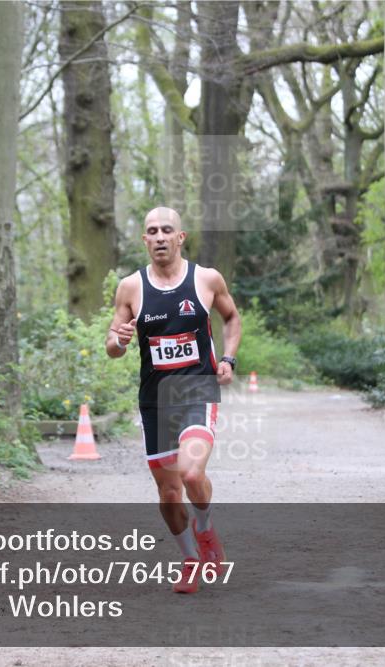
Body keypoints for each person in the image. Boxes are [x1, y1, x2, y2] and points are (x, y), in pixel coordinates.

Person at [106, 206, 242, 594]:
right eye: (153, 231)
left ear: (181, 238)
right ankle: (188, 559)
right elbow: (112, 345)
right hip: (155, 400)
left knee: (192, 473)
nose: (160, 236)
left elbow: (231, 318)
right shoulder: (131, 288)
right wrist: (119, 341)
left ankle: (205, 530)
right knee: (168, 495)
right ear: (145, 241)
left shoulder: (206, 279)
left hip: (197, 389)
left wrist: (228, 359)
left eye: (168, 230)